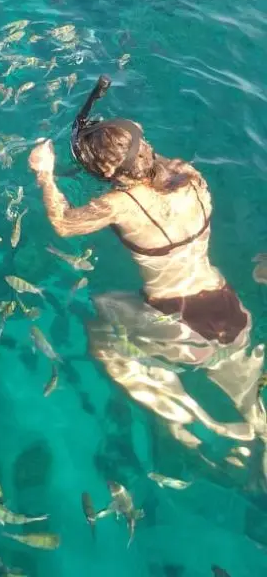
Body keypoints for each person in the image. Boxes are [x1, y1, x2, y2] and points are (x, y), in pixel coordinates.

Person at [28, 76, 267, 460]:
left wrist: (44, 173)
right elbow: (144, 160)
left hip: (176, 322)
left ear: (109, 173)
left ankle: (185, 419)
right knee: (257, 413)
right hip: (231, 312)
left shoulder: (120, 203)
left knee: (101, 314)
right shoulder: (188, 175)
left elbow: (64, 224)